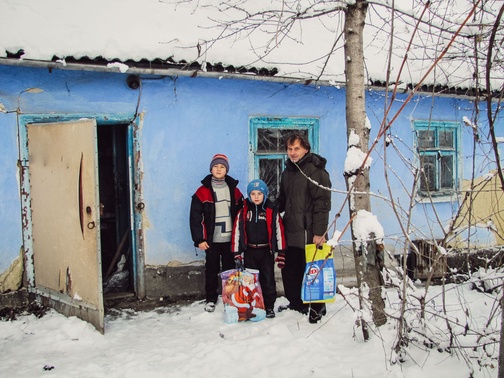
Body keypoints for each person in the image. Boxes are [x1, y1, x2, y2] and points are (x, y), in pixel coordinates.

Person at [275, 133, 332, 323]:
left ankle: (317, 307)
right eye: (290, 149)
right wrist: (269, 209)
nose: (292, 153)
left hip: (310, 232)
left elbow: (322, 203)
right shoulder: (287, 173)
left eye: (296, 149)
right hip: (291, 230)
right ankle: (296, 303)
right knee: (291, 270)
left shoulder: (316, 172)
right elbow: (283, 199)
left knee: (314, 270)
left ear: (305, 149)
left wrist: (320, 232)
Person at [190, 153, 244, 312]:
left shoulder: (234, 190)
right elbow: (195, 217)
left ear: (226, 170)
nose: (219, 169)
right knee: (212, 269)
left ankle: (230, 297)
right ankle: (211, 298)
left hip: (230, 239)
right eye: (216, 166)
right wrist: (200, 239)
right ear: (211, 169)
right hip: (212, 240)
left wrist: (240, 238)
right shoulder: (202, 191)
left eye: (222, 167)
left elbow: (241, 213)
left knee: (229, 270)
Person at [231, 179, 286, 319]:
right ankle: (253, 306)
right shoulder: (243, 211)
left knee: (268, 280)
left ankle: (269, 307)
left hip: (266, 252)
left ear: (265, 194)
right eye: (253, 193)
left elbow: (279, 231)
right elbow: (237, 232)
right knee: (250, 281)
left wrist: (281, 253)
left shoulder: (271, 211)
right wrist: (237, 253)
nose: (256, 196)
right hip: (249, 252)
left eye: (259, 193)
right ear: (249, 195)